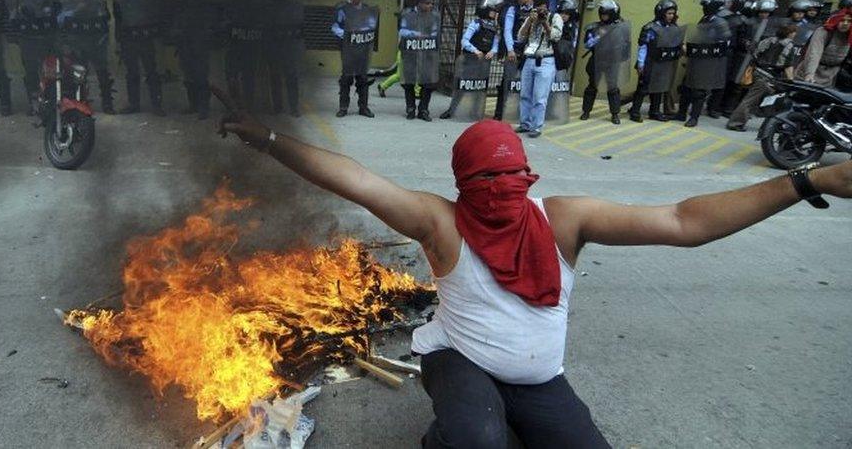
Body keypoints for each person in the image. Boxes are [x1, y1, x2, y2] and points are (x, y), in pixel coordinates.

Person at [219, 111, 852, 449]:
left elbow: (685, 221)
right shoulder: (441, 222)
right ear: (462, 186)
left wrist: (806, 180)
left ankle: (503, 418)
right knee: (476, 439)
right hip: (459, 359)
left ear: (530, 173)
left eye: (512, 175)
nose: (501, 191)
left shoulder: (564, 220)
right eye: (484, 181)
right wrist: (271, 139)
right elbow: (354, 178)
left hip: (539, 377)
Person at [58, 0, 115, 114]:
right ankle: (79, 102)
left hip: (95, 42)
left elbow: (105, 19)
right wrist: (77, 10)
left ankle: (108, 104)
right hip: (76, 43)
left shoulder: (98, 0)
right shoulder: (66, 1)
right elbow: (60, 20)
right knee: (78, 75)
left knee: (103, 74)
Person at [726, 24, 799, 132]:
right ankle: (736, 123)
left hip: (758, 72)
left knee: (763, 100)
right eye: (794, 32)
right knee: (752, 100)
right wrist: (791, 81)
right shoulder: (789, 46)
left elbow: (755, 54)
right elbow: (788, 65)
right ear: (790, 33)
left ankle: (768, 126)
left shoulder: (768, 40)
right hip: (770, 77)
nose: (795, 34)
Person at [439, 0, 501, 120]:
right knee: (462, 85)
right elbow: (465, 41)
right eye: (493, 10)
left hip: (484, 61)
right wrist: (475, 51)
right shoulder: (476, 23)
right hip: (471, 59)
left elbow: (495, 43)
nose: (495, 13)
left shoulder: (494, 26)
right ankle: (452, 110)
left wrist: (493, 52)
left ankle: (475, 111)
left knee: (480, 86)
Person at [676, 0, 732, 128]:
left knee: (699, 90)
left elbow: (725, 43)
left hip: (708, 61)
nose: (703, 8)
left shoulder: (720, 22)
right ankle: (681, 113)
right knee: (686, 87)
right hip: (697, 58)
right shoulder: (705, 19)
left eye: (705, 6)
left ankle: (694, 117)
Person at [6, 0, 57, 115]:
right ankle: (34, 103)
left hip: (46, 39)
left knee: (50, 71)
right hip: (27, 40)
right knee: (31, 73)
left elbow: (50, 16)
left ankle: (51, 100)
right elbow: (11, 20)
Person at [113, 0, 163, 116]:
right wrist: (118, 43)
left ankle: (157, 105)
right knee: (132, 73)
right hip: (128, 41)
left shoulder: (149, 0)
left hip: (145, 40)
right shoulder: (119, 0)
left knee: (152, 73)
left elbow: (156, 20)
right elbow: (118, 23)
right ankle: (134, 104)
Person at [515, 0, 562, 137]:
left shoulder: (555, 17)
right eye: (538, 8)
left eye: (544, 8)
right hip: (529, 59)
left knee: (540, 97)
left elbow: (555, 37)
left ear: (547, 8)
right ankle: (525, 124)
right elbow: (520, 37)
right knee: (525, 95)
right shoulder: (531, 18)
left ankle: (536, 127)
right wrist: (530, 21)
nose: (541, 10)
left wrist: (544, 23)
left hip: (546, 60)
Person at [630, 0, 683, 123]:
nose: (671, 16)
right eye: (669, 13)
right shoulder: (650, 28)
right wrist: (641, 63)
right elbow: (643, 46)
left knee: (659, 87)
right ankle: (635, 112)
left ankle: (654, 111)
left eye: (673, 13)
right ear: (661, 12)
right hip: (649, 61)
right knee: (643, 87)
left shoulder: (673, 27)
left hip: (664, 62)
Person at [332, 0, 378, 118]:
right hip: (348, 49)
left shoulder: (366, 9)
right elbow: (335, 27)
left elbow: (371, 26)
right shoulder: (343, 9)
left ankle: (363, 107)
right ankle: (343, 107)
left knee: (363, 78)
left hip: (363, 49)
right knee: (346, 78)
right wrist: (347, 35)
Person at [174, 0, 217, 119]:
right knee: (189, 79)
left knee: (201, 79)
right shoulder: (181, 10)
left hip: (199, 49)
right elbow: (176, 27)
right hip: (185, 48)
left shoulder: (205, 10)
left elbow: (209, 29)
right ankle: (193, 105)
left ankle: (203, 108)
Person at [580, 0, 628, 124]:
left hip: (612, 62)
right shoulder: (594, 27)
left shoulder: (620, 28)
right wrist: (598, 35)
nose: (603, 16)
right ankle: (586, 111)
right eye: (602, 14)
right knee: (592, 86)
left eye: (606, 14)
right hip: (597, 60)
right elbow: (587, 44)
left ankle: (615, 114)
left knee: (612, 88)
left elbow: (626, 44)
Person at [398, 0, 440, 121]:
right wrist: (416, 35)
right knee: (409, 82)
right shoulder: (408, 15)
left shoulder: (434, 16)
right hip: (410, 53)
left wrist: (428, 37)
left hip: (427, 53)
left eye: (431, 3)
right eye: (427, 3)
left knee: (427, 83)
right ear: (420, 3)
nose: (430, 6)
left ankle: (423, 110)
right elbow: (402, 31)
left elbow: (435, 32)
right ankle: (410, 109)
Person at [266, 0, 304, 117]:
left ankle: (293, 107)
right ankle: (278, 107)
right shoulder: (269, 8)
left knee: (291, 78)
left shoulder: (293, 7)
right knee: (275, 78)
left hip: (289, 48)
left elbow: (299, 29)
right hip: (275, 48)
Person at [224, 0, 262, 113]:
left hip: (247, 47)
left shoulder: (254, 7)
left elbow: (259, 27)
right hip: (236, 46)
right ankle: (236, 105)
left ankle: (246, 106)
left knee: (247, 78)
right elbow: (225, 25)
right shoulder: (232, 6)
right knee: (233, 77)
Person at [495, 0, 533, 120]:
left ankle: (517, 113)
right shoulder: (512, 9)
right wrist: (510, 50)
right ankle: (499, 113)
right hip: (513, 49)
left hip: (527, 50)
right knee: (507, 81)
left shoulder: (531, 10)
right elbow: (507, 30)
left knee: (523, 83)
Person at [709, 0, 747, 118]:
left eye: (730, 2)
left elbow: (740, 39)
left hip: (728, 53)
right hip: (713, 50)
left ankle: (715, 107)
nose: (727, 4)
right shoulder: (714, 17)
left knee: (723, 80)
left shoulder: (739, 20)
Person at [793, 7, 852, 88]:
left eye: (849, 21)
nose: (845, 23)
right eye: (842, 20)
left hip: (830, 77)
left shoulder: (850, 36)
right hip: (809, 73)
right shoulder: (823, 32)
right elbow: (814, 53)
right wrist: (809, 74)